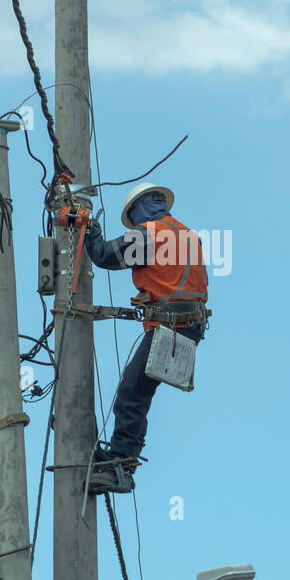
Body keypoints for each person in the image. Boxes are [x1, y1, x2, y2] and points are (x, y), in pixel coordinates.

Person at [83, 183, 209, 493]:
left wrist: (88, 227)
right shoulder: (187, 235)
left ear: (137, 210)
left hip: (170, 325)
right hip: (189, 327)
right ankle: (121, 458)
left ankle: (120, 464)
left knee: (131, 395)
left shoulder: (150, 234)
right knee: (138, 394)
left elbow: (103, 256)